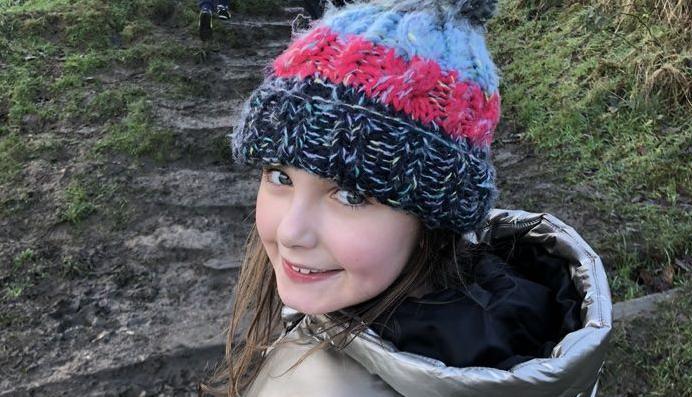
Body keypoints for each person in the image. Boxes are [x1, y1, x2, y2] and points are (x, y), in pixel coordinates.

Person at [202, 0, 613, 395]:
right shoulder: (533, 316)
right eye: (279, 176)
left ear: (434, 217)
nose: (291, 231)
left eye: (350, 195)